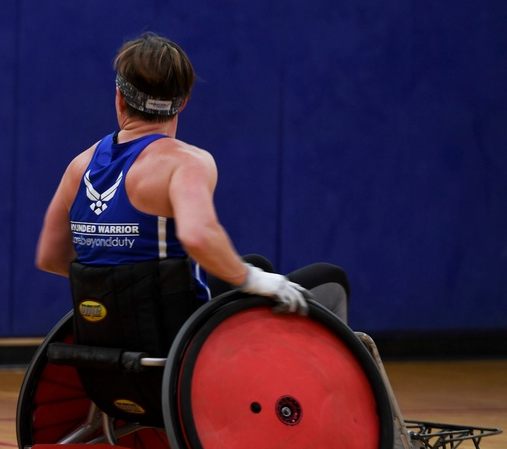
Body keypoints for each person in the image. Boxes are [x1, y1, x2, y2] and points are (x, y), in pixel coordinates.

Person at [36, 31, 349, 332]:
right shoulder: (184, 162)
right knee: (329, 279)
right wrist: (252, 280)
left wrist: (115, 283)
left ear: (119, 98)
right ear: (183, 102)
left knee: (255, 264)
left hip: (105, 329)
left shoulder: (79, 167)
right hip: (174, 337)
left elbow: (50, 256)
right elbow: (198, 236)